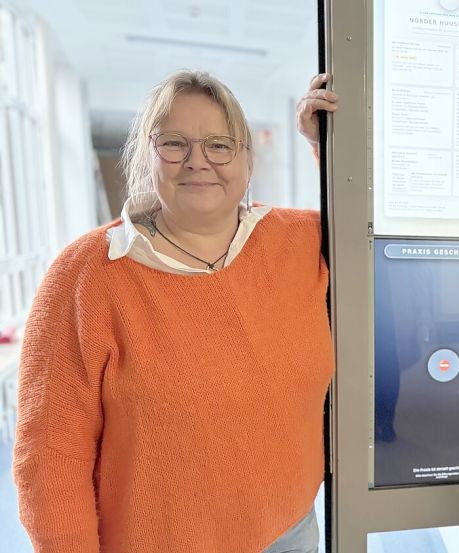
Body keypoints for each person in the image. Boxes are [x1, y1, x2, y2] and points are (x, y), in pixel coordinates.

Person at [14, 70, 338, 552]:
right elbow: (50, 460)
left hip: (290, 531)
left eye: (220, 145)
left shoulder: (300, 242)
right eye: (174, 144)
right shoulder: (85, 276)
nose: (198, 161)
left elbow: (381, 230)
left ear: (248, 160)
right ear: (146, 157)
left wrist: (329, 144)